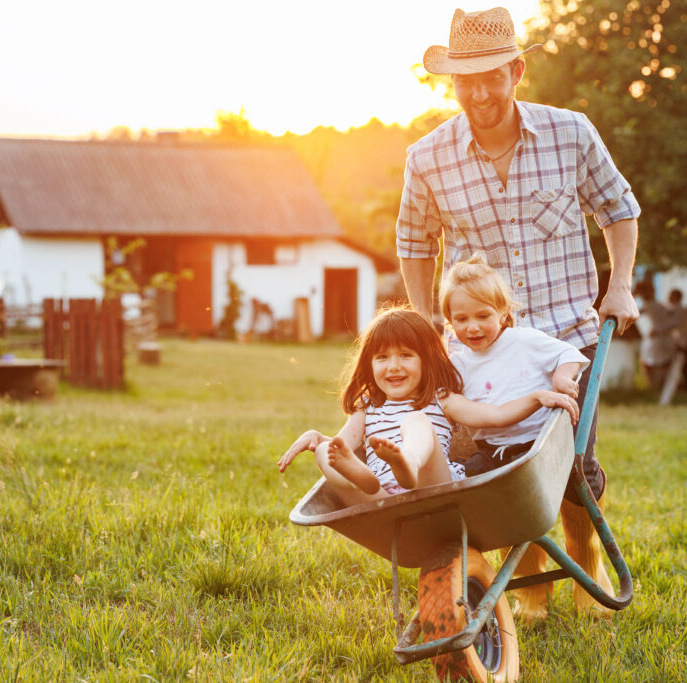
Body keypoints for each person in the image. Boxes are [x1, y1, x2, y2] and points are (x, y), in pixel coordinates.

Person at [395, 6, 642, 618]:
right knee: (489, 465)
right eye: (465, 80)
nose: (479, 93)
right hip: (479, 346)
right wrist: (428, 320)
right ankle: (519, 588)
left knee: (570, 469)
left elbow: (618, 208)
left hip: (565, 336)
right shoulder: (428, 157)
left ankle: (581, 565)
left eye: (491, 76)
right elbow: (414, 242)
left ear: (517, 71)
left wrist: (620, 285)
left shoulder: (570, 133)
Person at [440, 255, 614, 621]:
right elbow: (441, 395)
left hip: (540, 446)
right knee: (482, 495)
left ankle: (588, 574)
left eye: (483, 316)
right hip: (493, 451)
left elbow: (568, 354)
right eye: (461, 319)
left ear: (503, 313)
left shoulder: (524, 341)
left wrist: (562, 378)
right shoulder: (457, 362)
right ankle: (530, 593)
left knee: (577, 477)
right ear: (450, 321)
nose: (472, 327)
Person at [277, 306, 578, 508]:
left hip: (433, 488)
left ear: (426, 359)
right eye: (382, 358)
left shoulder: (441, 397)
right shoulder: (367, 406)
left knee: (416, 422)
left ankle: (407, 461)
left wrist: (537, 397)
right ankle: (362, 477)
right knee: (324, 452)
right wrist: (319, 440)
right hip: (380, 499)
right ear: (369, 364)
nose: (393, 367)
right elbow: (342, 446)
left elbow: (495, 416)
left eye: (406, 355)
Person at [635, 280, 677, 392]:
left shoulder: (653, 306)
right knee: (655, 364)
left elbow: (669, 323)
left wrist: (657, 330)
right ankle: (657, 387)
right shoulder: (657, 306)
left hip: (656, 340)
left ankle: (655, 387)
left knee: (651, 364)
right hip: (658, 340)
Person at [668, 289, 687, 392]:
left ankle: (686, 386)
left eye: (671, 296)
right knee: (684, 366)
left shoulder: (680, 310)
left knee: (684, 366)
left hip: (683, 342)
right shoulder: (680, 310)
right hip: (683, 341)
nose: (668, 298)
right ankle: (684, 385)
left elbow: (675, 325)